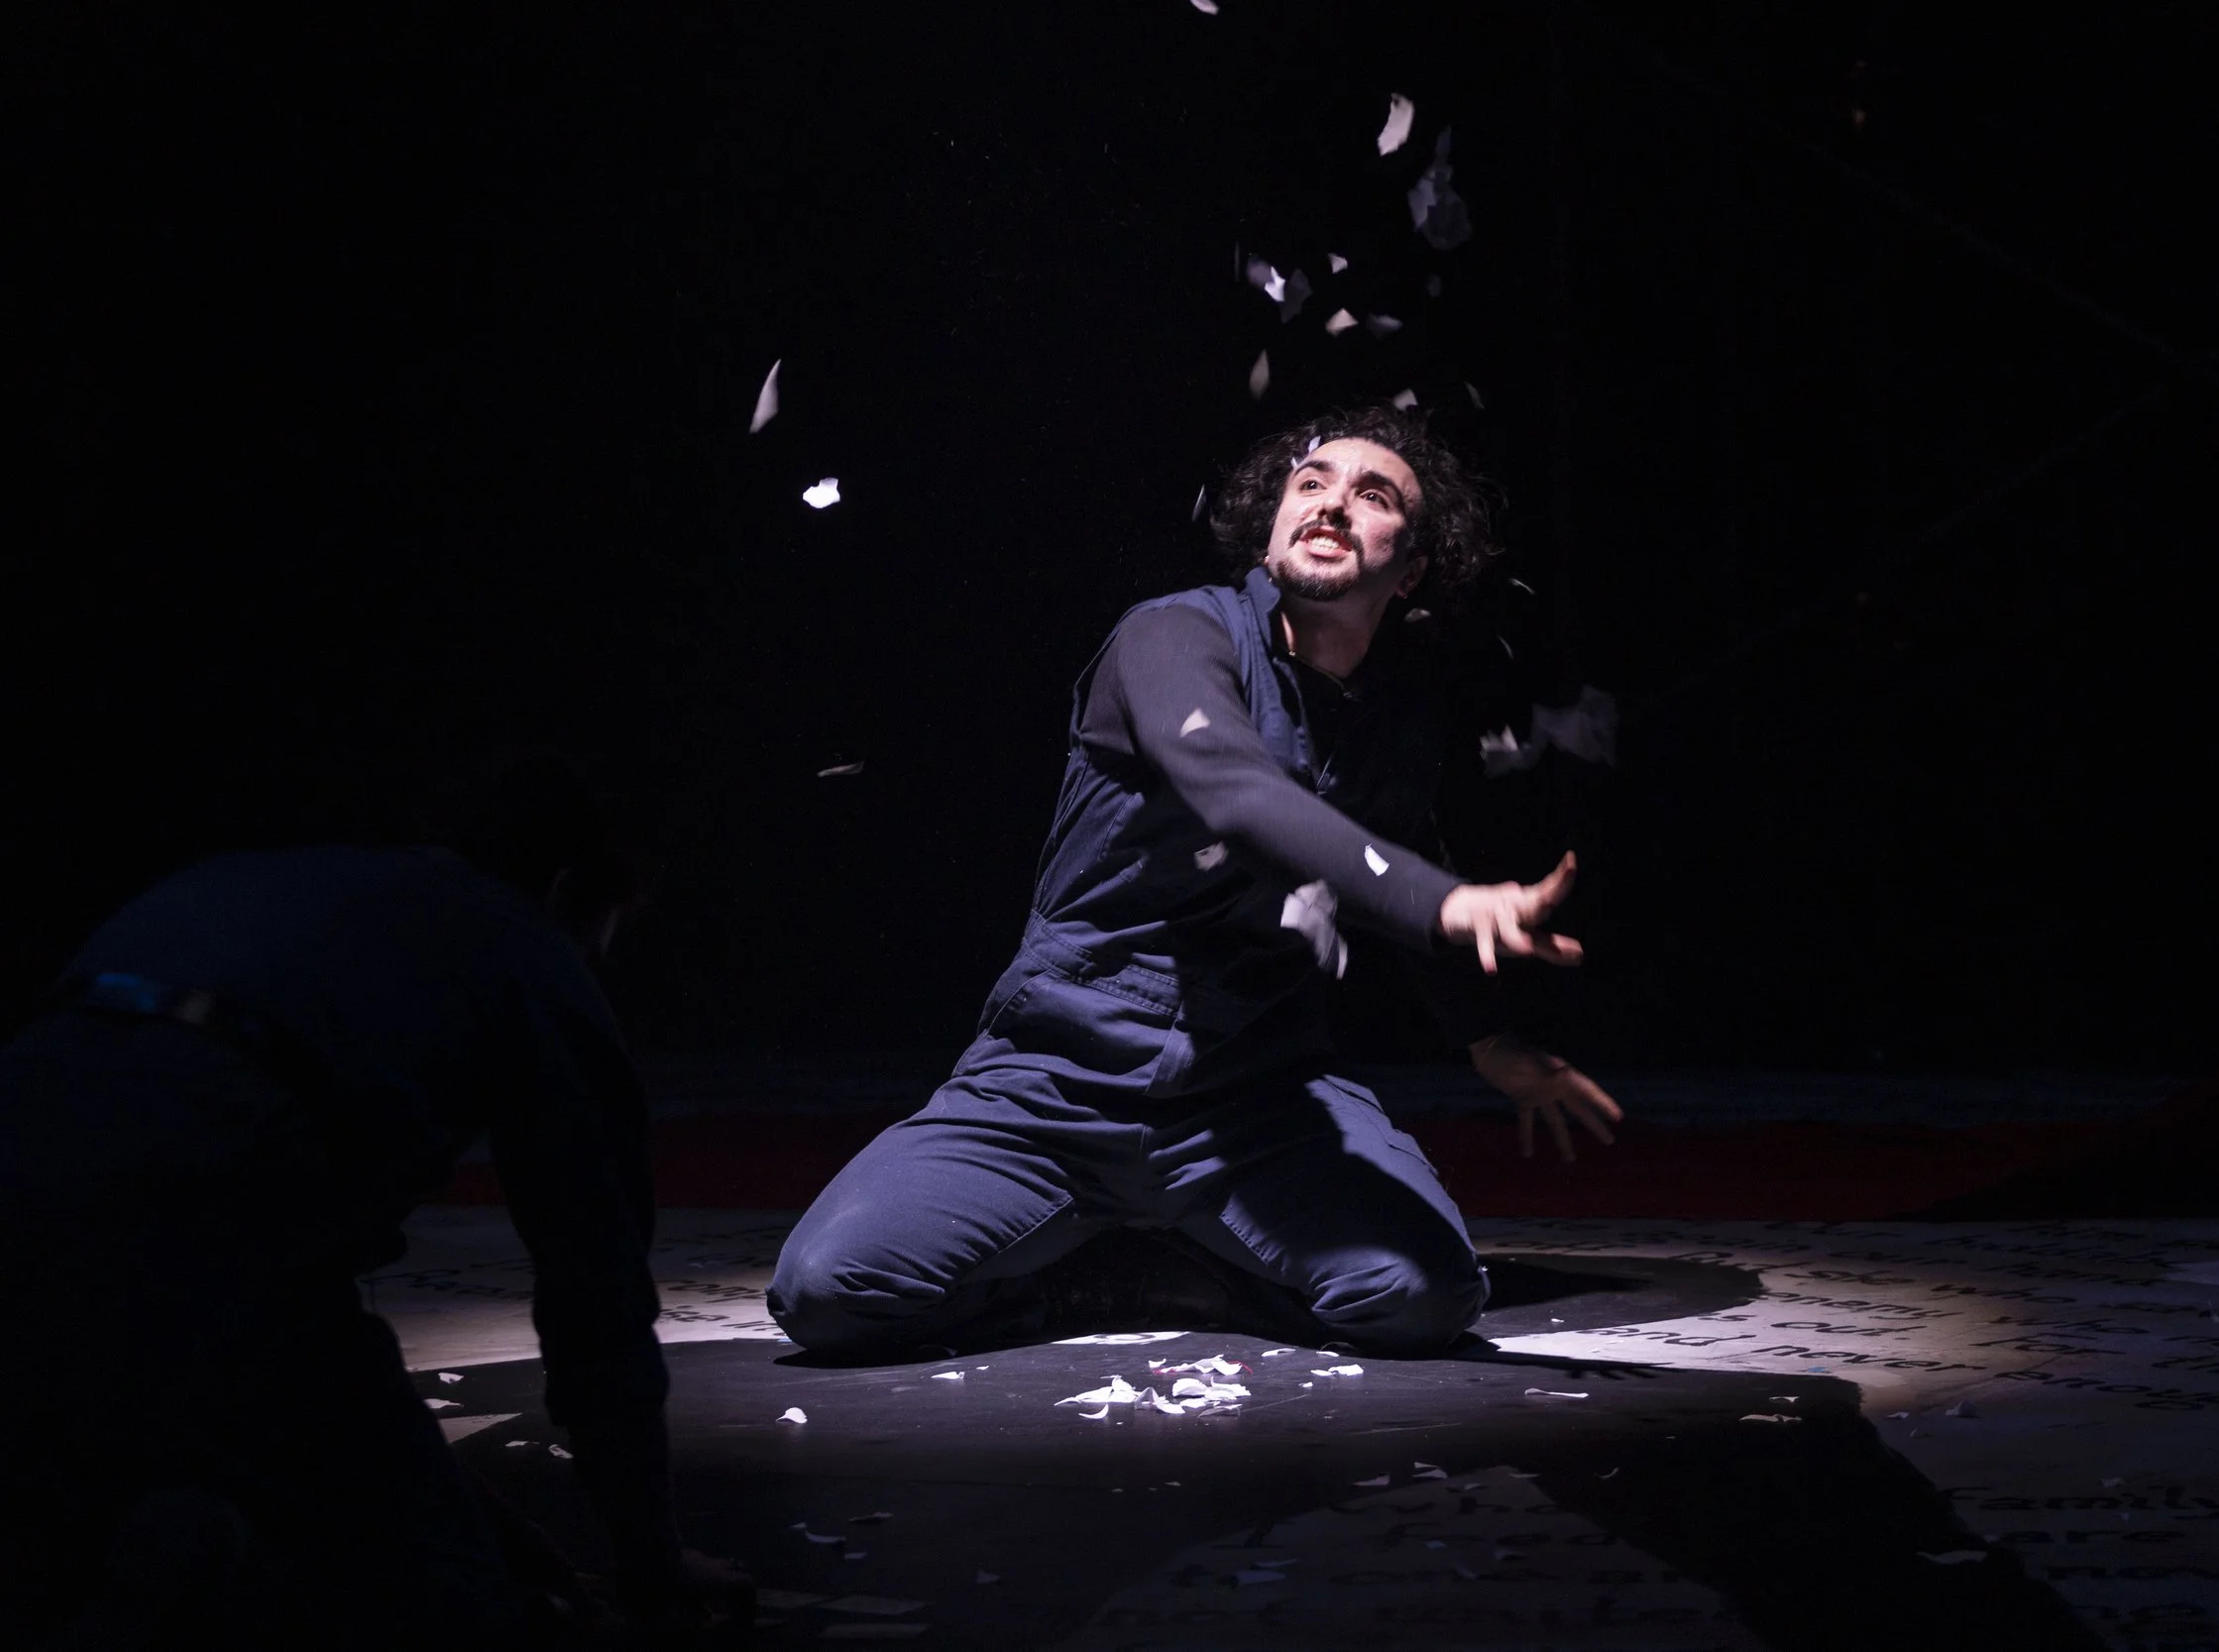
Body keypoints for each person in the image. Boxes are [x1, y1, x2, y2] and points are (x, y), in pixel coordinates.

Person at [770, 406, 1624, 1364]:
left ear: (1413, 568)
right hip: (1050, 1085)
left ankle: (1190, 1264)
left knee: (1427, 1296)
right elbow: (1238, 792)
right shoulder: (1171, 634)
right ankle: (1080, 1278)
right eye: (1312, 484)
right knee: (826, 1292)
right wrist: (1440, 900)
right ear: (1271, 526)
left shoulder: (1394, 728)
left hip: (1258, 1100)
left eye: (1372, 496)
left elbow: (1402, 852)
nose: (1333, 502)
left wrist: (1490, 1040)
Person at [0, 762, 741, 1649]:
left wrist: (479, 1521)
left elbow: (329, 1375)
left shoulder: (252, 884)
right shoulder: (526, 948)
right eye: (603, 935)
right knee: (448, 1606)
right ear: (568, 890)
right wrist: (651, 1568)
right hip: (198, 1227)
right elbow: (597, 1305)